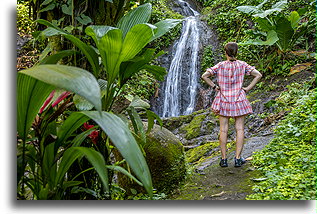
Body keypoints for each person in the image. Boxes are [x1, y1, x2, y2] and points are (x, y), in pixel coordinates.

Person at [201, 42, 262, 167]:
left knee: (223, 130)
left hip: (223, 100)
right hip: (239, 100)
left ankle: (223, 159)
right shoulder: (242, 65)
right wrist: (247, 88)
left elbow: (205, 75)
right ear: (236, 52)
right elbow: (258, 75)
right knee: (239, 129)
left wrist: (214, 87)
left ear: (225, 52)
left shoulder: (220, 65)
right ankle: (238, 158)